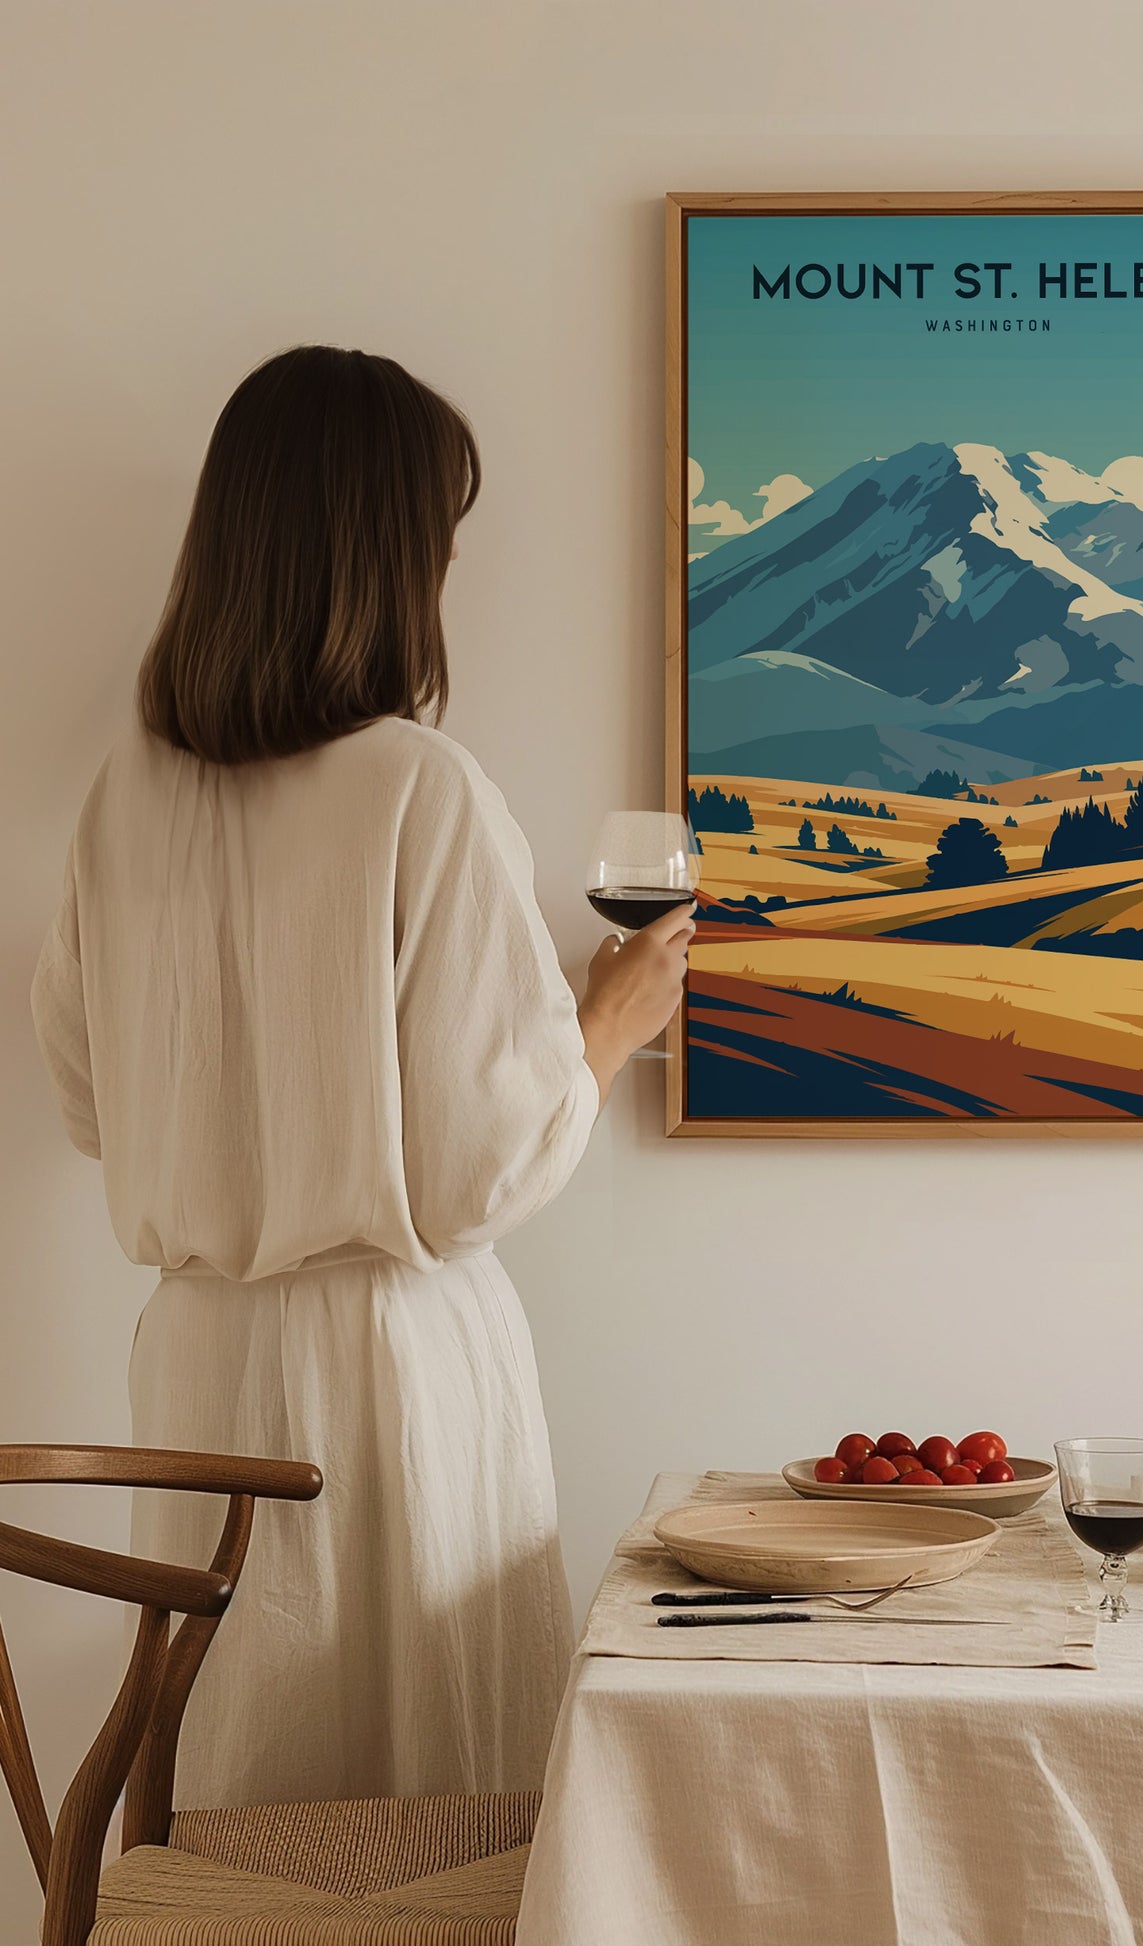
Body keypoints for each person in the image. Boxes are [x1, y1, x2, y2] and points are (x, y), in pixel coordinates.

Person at [29, 345, 690, 1806]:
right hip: (390, 1371)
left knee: (239, 1784)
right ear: (387, 553)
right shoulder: (418, 786)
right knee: (427, 1805)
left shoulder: (125, 797)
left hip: (197, 1363)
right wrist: (605, 1023)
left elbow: (87, 1100)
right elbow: (474, 1175)